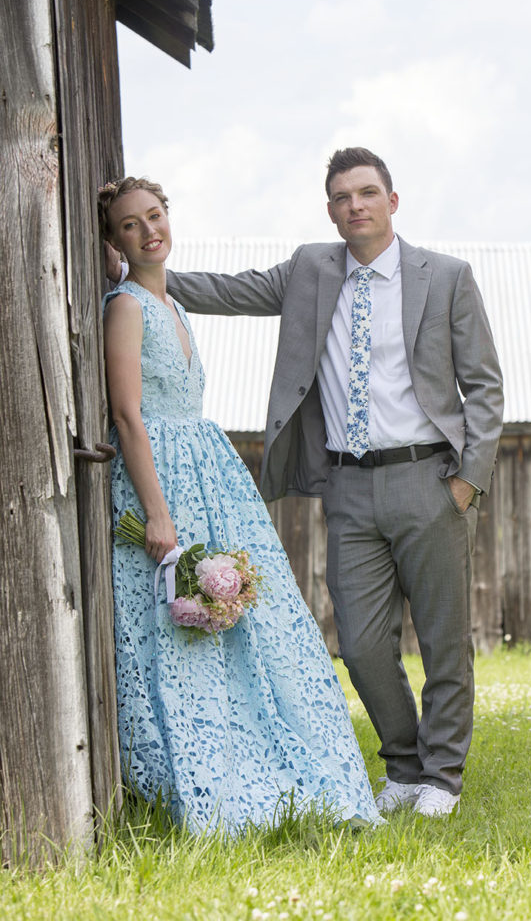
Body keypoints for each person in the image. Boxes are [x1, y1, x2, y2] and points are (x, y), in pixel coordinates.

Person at [110, 147, 504, 817]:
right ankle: (402, 767)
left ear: (391, 201)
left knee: (442, 639)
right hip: (348, 487)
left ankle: (440, 777)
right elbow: (228, 291)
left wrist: (465, 482)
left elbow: (484, 387)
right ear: (330, 209)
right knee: (359, 643)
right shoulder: (310, 270)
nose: (356, 205)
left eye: (368, 192)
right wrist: (144, 272)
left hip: (427, 479)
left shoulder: (445, 277)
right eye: (343, 197)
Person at [99, 176, 381, 833]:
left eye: (155, 216)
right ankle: (205, 783)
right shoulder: (127, 307)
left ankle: (276, 770)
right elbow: (127, 416)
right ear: (114, 241)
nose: (148, 232)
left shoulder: (173, 305)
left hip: (209, 474)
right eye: (131, 226)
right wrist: (159, 513)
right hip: (164, 476)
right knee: (180, 626)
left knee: (246, 622)